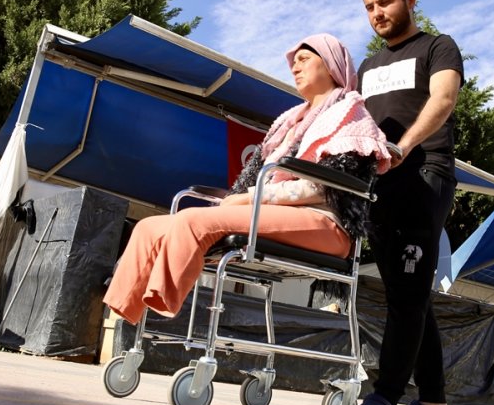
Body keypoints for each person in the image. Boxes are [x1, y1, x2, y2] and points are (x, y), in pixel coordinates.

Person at [103, 33, 391, 326]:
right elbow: (256, 180)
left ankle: (163, 312)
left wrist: (250, 197)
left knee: (194, 221)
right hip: (275, 214)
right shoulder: (290, 122)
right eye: (294, 62)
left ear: (330, 65)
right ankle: (120, 318)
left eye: (304, 59)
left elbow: (329, 186)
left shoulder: (353, 116)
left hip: (325, 223)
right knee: (149, 227)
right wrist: (239, 198)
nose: (295, 67)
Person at [352, 0, 465, 405]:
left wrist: (405, 145)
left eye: (385, 2)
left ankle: (385, 396)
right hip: (380, 184)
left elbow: (443, 100)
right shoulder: (368, 68)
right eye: (370, 7)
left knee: (409, 290)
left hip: (424, 172)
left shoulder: (438, 47)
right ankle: (434, 404)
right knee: (407, 291)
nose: (378, 13)